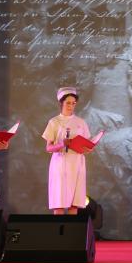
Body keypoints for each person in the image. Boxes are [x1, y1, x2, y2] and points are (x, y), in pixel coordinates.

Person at [43, 87, 94, 215]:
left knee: (74, 204)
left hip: (77, 163)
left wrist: (87, 148)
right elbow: (48, 148)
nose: (71, 106)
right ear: (61, 103)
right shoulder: (54, 122)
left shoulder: (80, 122)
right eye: (68, 103)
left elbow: (86, 145)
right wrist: (61, 144)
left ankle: (72, 227)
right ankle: (57, 228)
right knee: (59, 203)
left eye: (73, 103)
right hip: (60, 164)